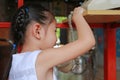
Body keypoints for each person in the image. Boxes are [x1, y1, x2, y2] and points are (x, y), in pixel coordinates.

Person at [8, 4, 95, 80]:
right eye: (54, 30)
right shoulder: (41, 58)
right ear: (37, 31)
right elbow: (88, 41)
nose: (56, 39)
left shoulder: (17, 62)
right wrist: (78, 16)